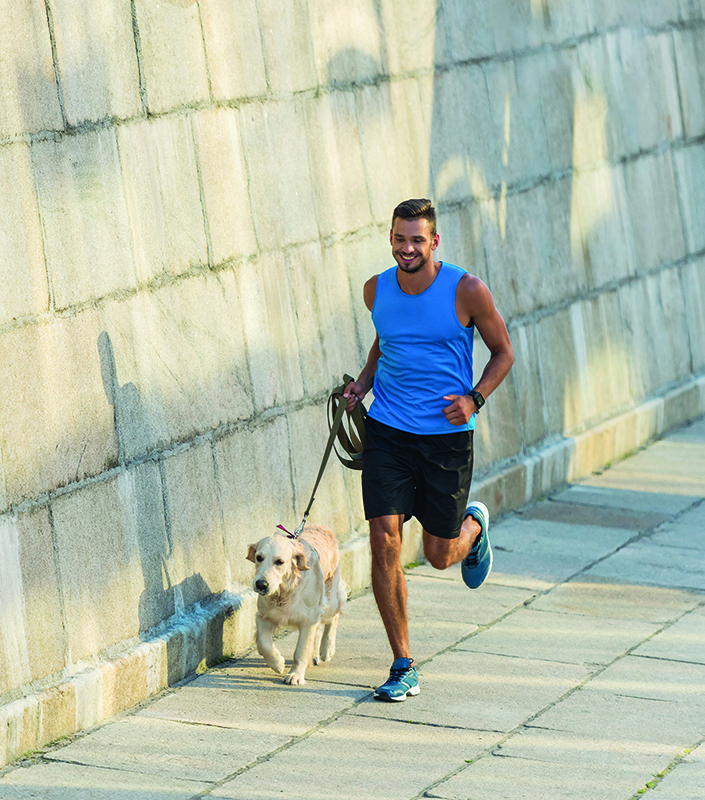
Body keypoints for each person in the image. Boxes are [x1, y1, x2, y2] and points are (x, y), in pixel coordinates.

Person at [343, 198, 514, 702]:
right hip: (388, 432)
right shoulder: (376, 290)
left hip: (445, 439)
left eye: (417, 240)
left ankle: (473, 527)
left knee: (438, 555)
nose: (407, 248)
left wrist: (475, 398)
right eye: (400, 238)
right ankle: (403, 664)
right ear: (390, 238)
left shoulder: (467, 290)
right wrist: (363, 383)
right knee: (384, 539)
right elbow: (386, 342)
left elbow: (503, 351)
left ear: (434, 241)